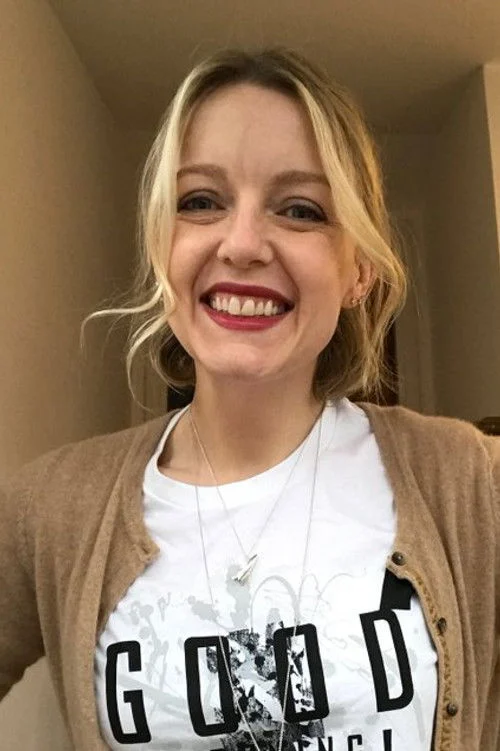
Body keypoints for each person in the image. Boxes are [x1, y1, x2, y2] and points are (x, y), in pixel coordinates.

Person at [0, 46, 498, 751]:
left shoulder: (469, 481)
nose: (241, 244)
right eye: (201, 201)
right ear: (162, 244)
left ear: (358, 269)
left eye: (300, 209)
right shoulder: (50, 510)